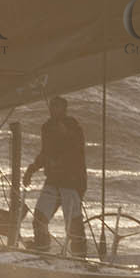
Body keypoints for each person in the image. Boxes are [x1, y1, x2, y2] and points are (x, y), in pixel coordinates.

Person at [21, 96, 87, 254]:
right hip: (53, 180)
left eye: (56, 107)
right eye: (51, 107)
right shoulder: (47, 127)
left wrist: (66, 134)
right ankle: (42, 248)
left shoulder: (73, 127)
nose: (52, 110)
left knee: (73, 225)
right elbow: (45, 153)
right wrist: (31, 169)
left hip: (71, 183)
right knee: (39, 218)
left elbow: (77, 151)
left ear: (64, 109)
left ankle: (80, 256)